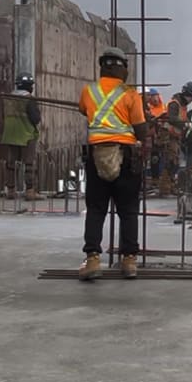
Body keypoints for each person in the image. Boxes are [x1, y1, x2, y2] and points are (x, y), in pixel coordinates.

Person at [77, 47, 148, 281]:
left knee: (96, 209)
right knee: (128, 210)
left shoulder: (88, 91)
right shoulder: (130, 94)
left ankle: (92, 260)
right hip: (126, 157)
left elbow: (83, 110)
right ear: (123, 68)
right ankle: (129, 261)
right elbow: (141, 130)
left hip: (97, 155)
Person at [0, 72, 42, 200]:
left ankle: (10, 191)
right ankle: (30, 191)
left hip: (10, 134)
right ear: (29, 86)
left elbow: (3, 116)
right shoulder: (29, 99)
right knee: (29, 164)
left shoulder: (8, 98)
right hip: (26, 135)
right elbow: (36, 119)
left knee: (11, 164)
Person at [157, 81, 192, 196]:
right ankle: (165, 187)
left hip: (175, 137)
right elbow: (172, 118)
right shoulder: (174, 104)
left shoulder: (183, 105)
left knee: (174, 162)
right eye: (191, 97)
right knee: (170, 161)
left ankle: (170, 185)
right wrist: (185, 124)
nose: (191, 100)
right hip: (168, 137)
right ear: (186, 94)